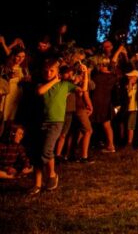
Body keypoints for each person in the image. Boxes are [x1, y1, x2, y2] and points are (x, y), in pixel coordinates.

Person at [28, 58, 84, 195]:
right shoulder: (41, 84)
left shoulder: (64, 84)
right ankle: (37, 184)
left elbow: (81, 89)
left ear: (57, 71)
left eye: (51, 70)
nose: (48, 73)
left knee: (46, 151)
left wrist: (84, 76)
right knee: (38, 152)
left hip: (56, 122)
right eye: (46, 71)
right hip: (41, 121)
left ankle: (52, 175)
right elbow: (40, 92)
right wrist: (55, 79)